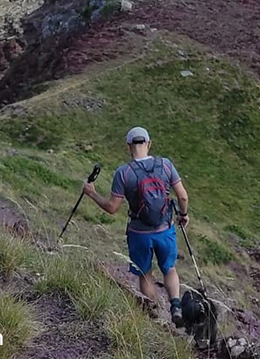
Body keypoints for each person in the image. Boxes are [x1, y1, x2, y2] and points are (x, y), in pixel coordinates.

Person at [82, 126, 191, 325]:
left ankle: (154, 313)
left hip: (139, 233)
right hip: (165, 229)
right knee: (169, 268)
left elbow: (112, 208)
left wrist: (91, 193)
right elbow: (182, 196)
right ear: (149, 144)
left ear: (128, 147)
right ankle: (175, 305)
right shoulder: (166, 165)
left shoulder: (123, 173)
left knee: (145, 273)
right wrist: (183, 215)